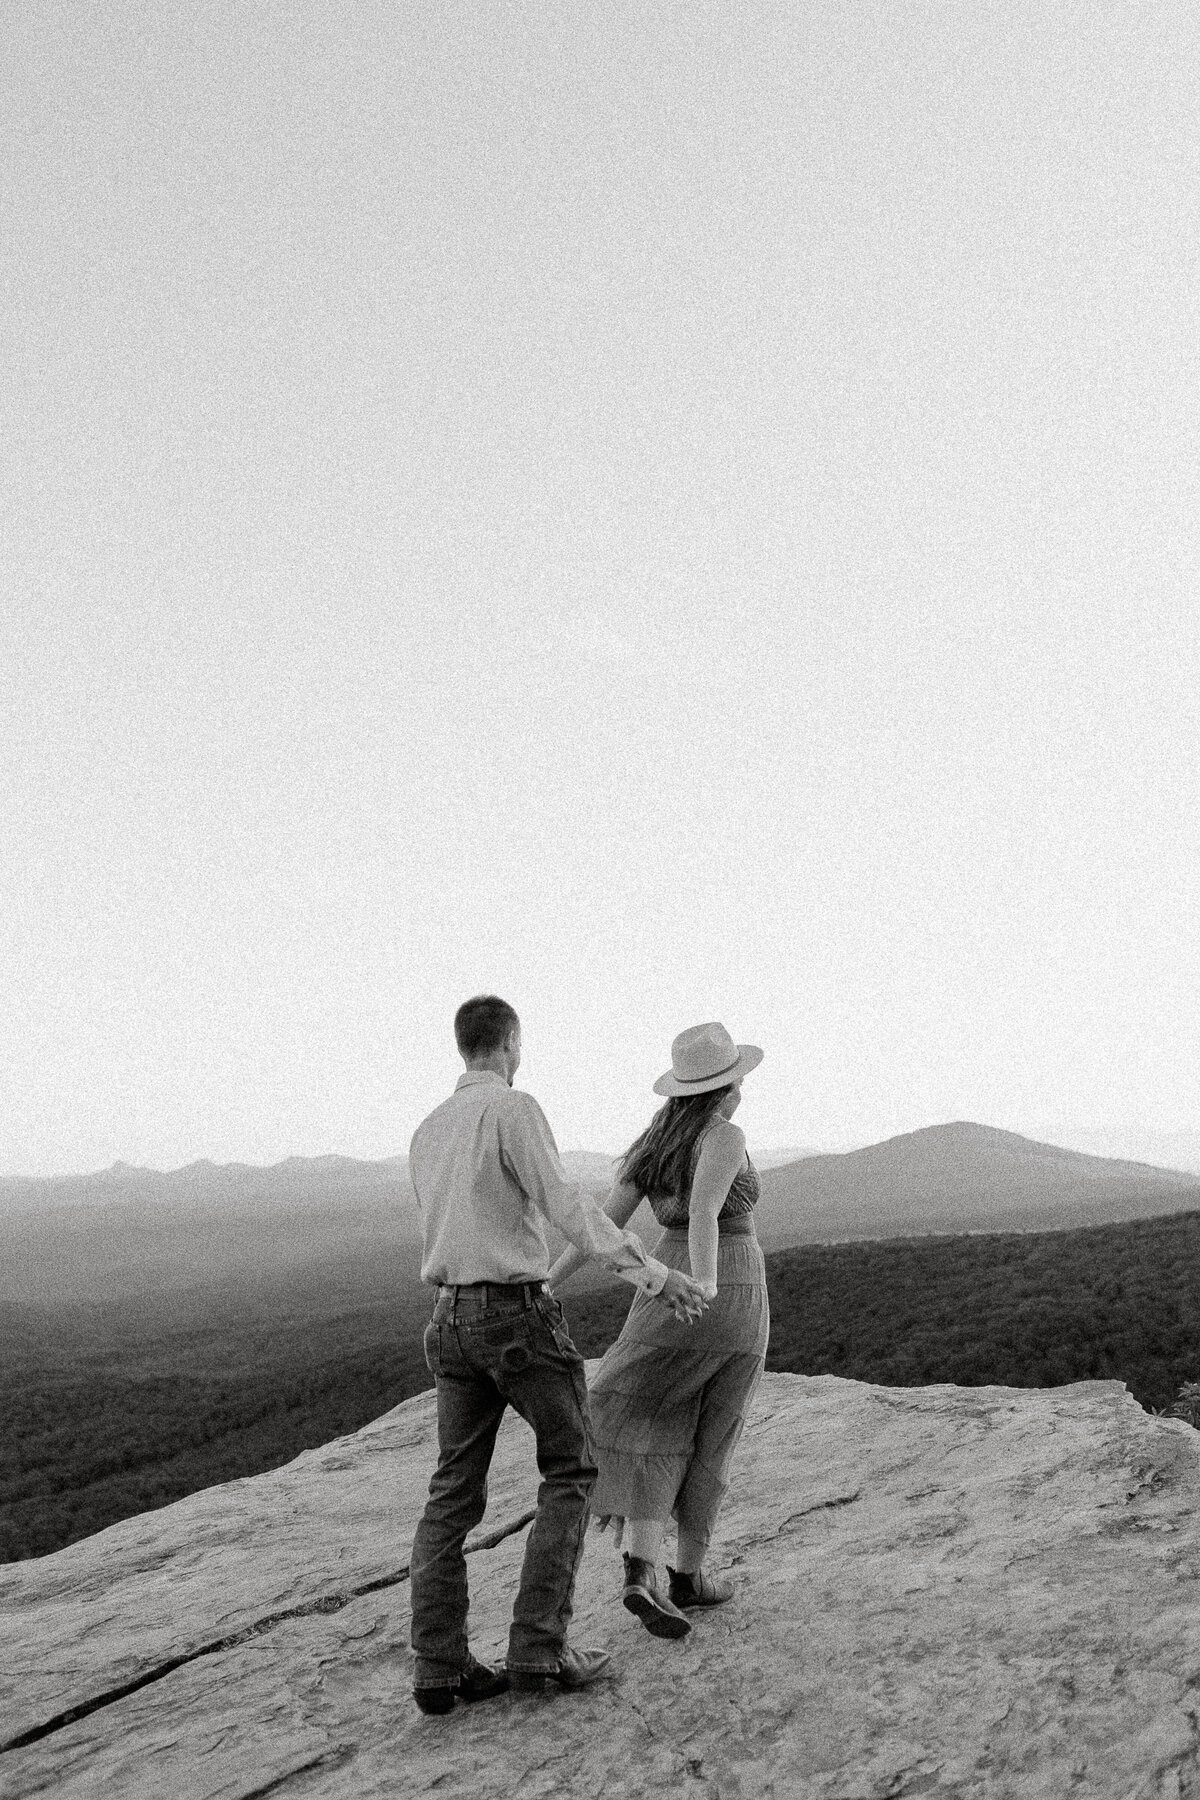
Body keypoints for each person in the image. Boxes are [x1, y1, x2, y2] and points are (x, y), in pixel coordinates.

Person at [406, 995, 706, 1714]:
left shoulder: (426, 1130)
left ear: (462, 1047)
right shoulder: (513, 1109)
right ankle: (539, 1648)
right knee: (571, 1468)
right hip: (512, 1317)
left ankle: (438, 1668)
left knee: (451, 1496)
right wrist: (654, 1275)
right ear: (510, 1044)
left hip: (446, 1319)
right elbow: (566, 1203)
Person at [547, 1021, 768, 1639]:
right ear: (730, 1082)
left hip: (660, 1296)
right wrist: (708, 1283)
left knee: (652, 1420)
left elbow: (599, 1227)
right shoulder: (725, 1135)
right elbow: (704, 1211)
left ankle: (639, 1570)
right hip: (727, 1288)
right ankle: (688, 1578)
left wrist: (546, 1284)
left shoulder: (654, 1143)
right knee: (716, 1433)